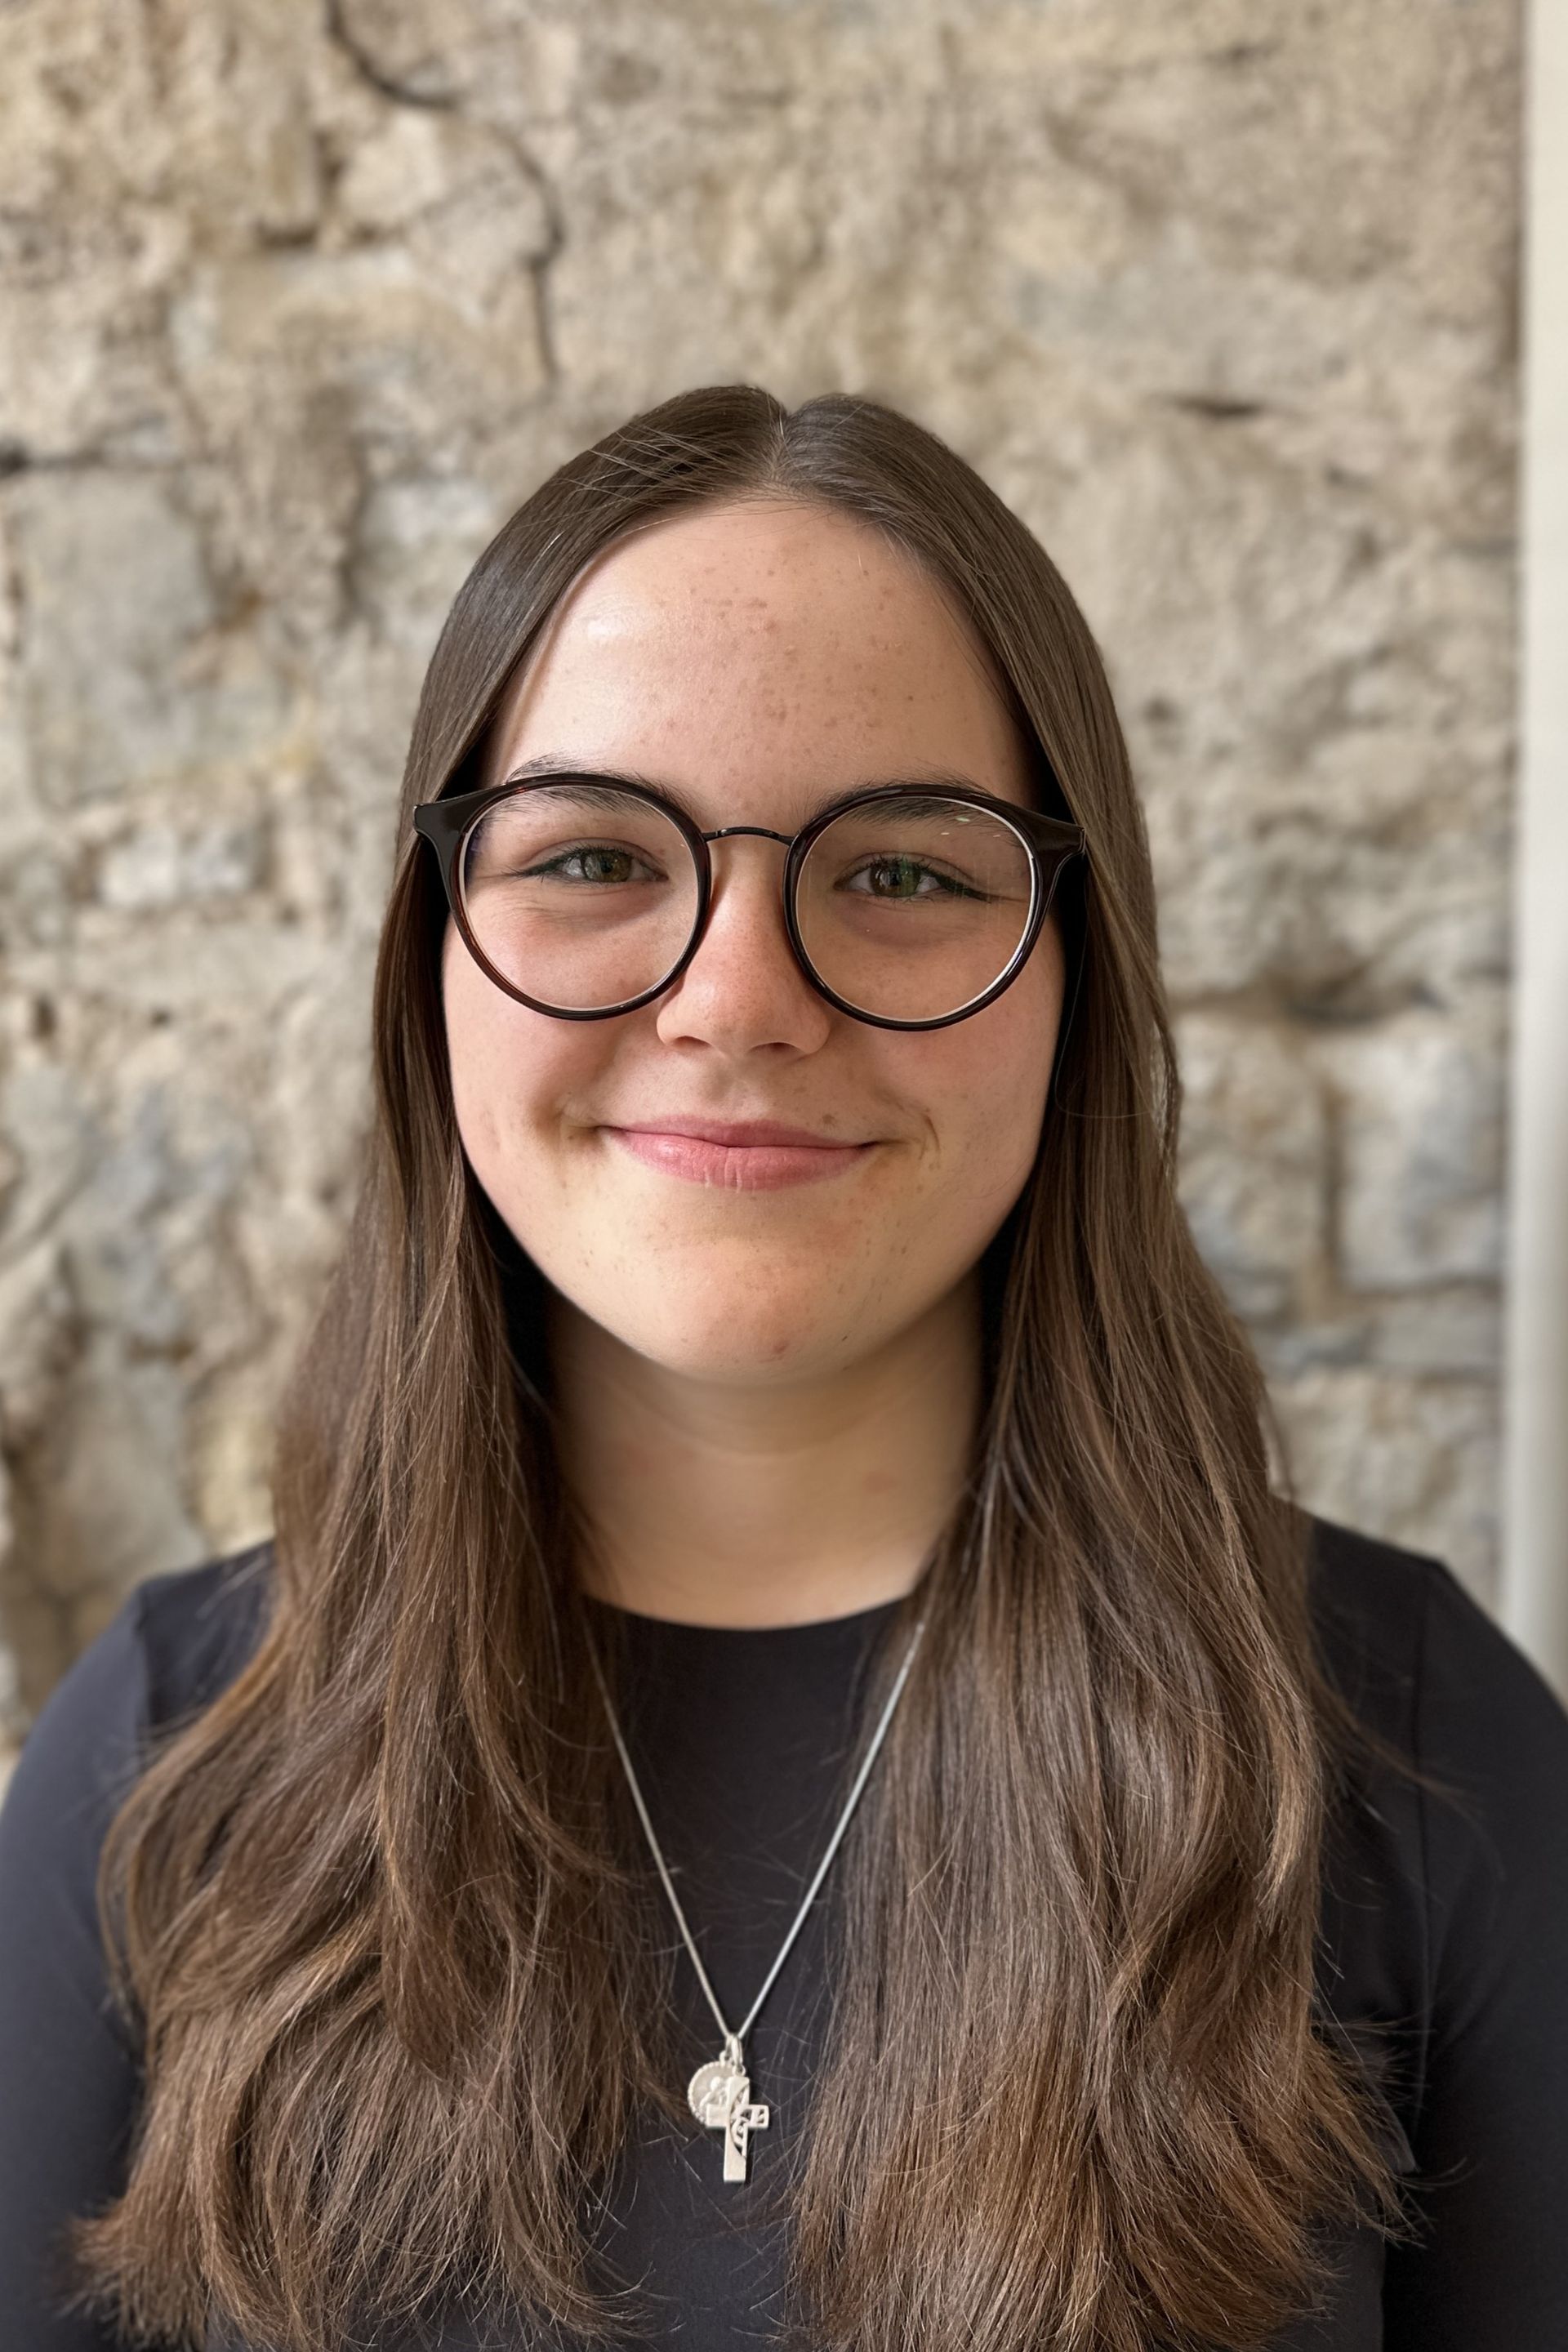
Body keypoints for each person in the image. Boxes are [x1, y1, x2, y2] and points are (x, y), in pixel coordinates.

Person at [1, 385, 1565, 2352]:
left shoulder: (1420, 1760)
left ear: (1074, 983)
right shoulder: (162, 1767)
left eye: (903, 872)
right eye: (592, 860)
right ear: (434, 962)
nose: (738, 997)